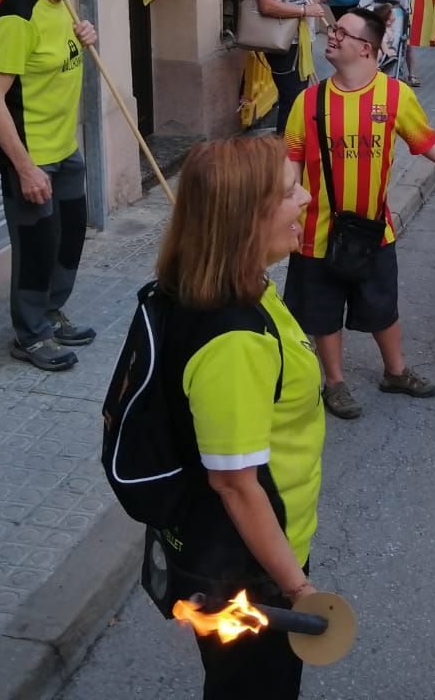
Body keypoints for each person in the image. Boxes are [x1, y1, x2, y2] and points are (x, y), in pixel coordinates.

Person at [151, 137, 322, 700]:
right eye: (289, 191)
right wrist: (297, 588)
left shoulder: (233, 286)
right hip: (249, 568)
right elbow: (234, 482)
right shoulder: (233, 340)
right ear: (246, 218)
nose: (305, 199)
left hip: (249, 549)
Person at [285, 7, 435, 420]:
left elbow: (427, 142)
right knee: (324, 312)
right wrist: (285, 198)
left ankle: (395, 372)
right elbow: (290, 159)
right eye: (333, 29)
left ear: (365, 48)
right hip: (315, 234)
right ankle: (334, 383)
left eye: (341, 32)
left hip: (373, 233)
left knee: (382, 305)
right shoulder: (308, 101)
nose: (331, 35)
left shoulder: (396, 96)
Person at [0, 0, 98, 372]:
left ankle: (51, 310)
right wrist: (26, 169)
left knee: (68, 237)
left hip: (65, 147)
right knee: (36, 246)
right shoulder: (16, 17)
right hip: (32, 155)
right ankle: (30, 334)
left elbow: (56, 59)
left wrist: (86, 38)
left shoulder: (60, 2)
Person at [256, 0, 337, 134]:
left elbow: (304, 2)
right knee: (291, 100)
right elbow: (266, 4)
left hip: (299, 42)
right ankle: (283, 151)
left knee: (298, 99)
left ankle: (290, 149)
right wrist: (304, 10)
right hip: (284, 45)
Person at [361, 0, 418, 86]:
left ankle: (412, 74)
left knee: (408, 46)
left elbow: (409, 4)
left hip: (401, 19)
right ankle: (375, 67)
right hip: (383, 32)